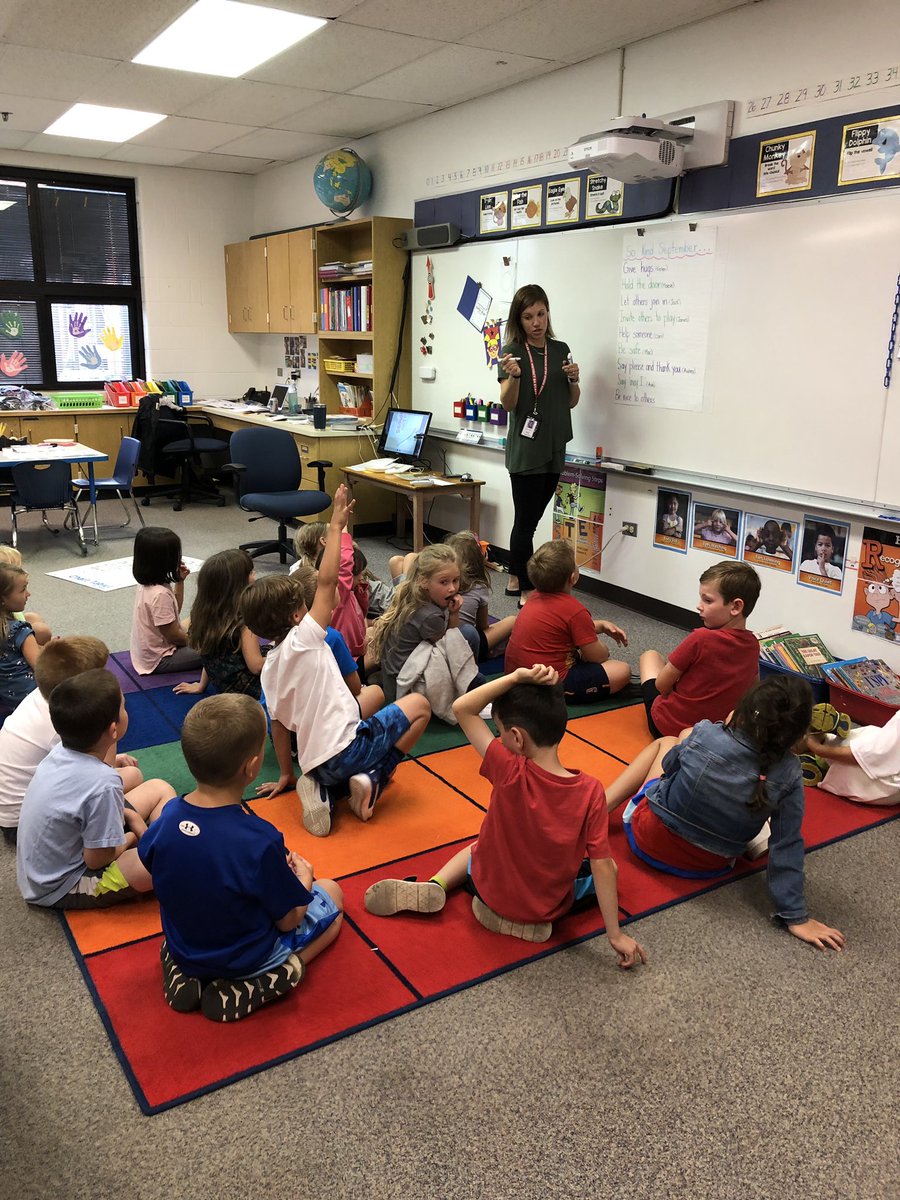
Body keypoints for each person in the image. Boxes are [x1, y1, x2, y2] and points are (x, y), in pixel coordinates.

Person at [364, 665, 646, 965]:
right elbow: (602, 867)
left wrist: (514, 677)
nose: (498, 740)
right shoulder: (590, 792)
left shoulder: (507, 767)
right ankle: (525, 919)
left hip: (488, 890)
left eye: (499, 732)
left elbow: (463, 708)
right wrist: (615, 935)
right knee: (611, 870)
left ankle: (438, 885)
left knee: (477, 846)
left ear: (517, 738)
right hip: (543, 907)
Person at [135, 694, 344, 1023]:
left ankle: (184, 970)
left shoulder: (168, 817)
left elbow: (152, 861)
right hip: (244, 956)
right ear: (251, 766)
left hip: (186, 945)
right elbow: (288, 919)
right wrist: (304, 881)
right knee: (333, 894)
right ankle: (275, 974)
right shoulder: (259, 840)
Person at [604, 674, 846, 952]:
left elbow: (670, 769)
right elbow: (787, 842)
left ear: (744, 709)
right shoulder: (789, 771)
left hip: (647, 837)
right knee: (755, 804)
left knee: (668, 742)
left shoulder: (707, 732)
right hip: (709, 864)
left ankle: (597, 805)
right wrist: (795, 916)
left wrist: (715, 734)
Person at [242, 484, 431, 837]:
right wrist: (336, 527)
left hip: (315, 763)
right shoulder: (307, 639)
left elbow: (279, 727)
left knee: (344, 734)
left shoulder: (269, 667)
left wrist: (286, 773)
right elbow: (328, 581)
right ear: (299, 615)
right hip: (350, 751)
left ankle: (323, 787)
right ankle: (374, 777)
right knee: (419, 706)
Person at [16, 669, 176, 909]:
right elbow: (95, 860)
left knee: (159, 788)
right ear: (113, 730)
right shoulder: (103, 783)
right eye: (124, 706)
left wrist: (130, 816)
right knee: (166, 864)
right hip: (64, 883)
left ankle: (163, 842)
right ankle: (166, 845)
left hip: (47, 864)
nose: (127, 709)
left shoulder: (60, 751)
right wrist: (137, 833)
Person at [0, 636, 143, 844]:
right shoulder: (60, 724)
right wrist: (111, 725)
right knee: (134, 778)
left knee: (132, 774)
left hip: (16, 804)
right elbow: (102, 776)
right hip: (26, 821)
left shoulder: (43, 699)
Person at [497, 284, 580, 600]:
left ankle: (515, 578)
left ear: (548, 313)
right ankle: (526, 590)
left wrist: (573, 380)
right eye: (529, 316)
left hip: (554, 444)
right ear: (519, 320)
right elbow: (507, 404)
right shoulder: (510, 352)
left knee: (532, 517)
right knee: (527, 523)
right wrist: (515, 377)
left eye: (541, 314)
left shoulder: (561, 349)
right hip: (526, 448)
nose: (536, 322)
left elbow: (571, 401)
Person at [639, 561, 760, 738]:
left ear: (735, 607)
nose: (699, 605)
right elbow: (752, 690)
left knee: (650, 656)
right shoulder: (753, 645)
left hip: (668, 728)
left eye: (707, 600)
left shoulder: (701, 638)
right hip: (714, 738)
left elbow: (661, 685)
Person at [503, 539, 630, 704]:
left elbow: (561, 626)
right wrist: (604, 650)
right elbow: (597, 657)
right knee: (622, 670)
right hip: (551, 685)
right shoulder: (574, 610)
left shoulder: (533, 598)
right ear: (573, 577)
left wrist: (600, 625)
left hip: (516, 679)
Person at [368, 544, 476, 705]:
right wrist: (454, 614)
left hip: (393, 675)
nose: (452, 588)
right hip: (407, 687)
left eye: (455, 580)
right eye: (444, 582)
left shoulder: (410, 591)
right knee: (470, 640)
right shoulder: (430, 615)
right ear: (424, 581)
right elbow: (449, 647)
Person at [292, 563, 383, 717]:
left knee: (375, 633)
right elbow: (354, 687)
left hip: (295, 713)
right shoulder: (331, 636)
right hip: (324, 715)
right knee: (376, 693)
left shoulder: (288, 634)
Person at [173, 548, 263, 699]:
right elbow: (256, 666)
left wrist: (201, 686)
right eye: (251, 573)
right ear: (239, 585)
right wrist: (284, 654)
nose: (254, 576)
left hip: (223, 686)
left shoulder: (202, 617)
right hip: (250, 692)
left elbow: (209, 656)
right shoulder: (244, 621)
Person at [130, 526, 202, 675]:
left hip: (148, 651)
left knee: (198, 618)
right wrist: (199, 643)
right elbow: (173, 635)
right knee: (218, 649)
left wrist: (180, 582)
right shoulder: (159, 594)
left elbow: (173, 612)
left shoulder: (149, 583)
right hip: (160, 658)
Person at [801, 705, 900, 804]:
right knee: (871, 734)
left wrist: (819, 749)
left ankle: (820, 760)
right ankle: (822, 752)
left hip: (885, 784)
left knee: (858, 745)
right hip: (892, 786)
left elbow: (866, 756)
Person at [444, 530, 517, 663]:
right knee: (513, 620)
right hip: (468, 644)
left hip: (439, 645)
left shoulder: (440, 586)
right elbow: (482, 626)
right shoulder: (478, 587)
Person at [0, 562, 42, 713]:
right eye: (23, 590)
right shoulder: (19, 630)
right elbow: (41, 668)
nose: (28, 594)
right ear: (3, 599)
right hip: (32, 699)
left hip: (8, 699)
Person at [0, 546, 52, 645]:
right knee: (42, 630)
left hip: (12, 621)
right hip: (8, 635)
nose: (25, 572)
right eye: (18, 569)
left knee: (33, 617)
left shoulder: (8, 601)